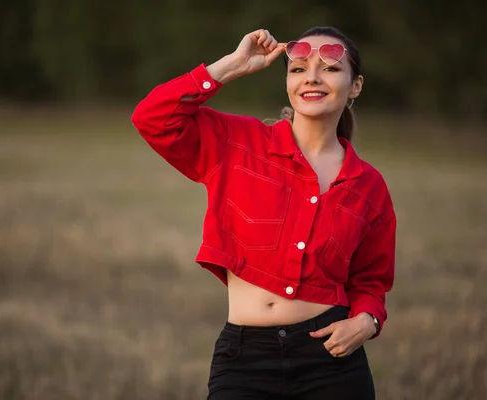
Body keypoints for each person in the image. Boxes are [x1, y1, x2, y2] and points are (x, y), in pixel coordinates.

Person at [131, 26, 396, 400]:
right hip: (244, 360)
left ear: (355, 86)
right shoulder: (237, 143)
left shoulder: (369, 185)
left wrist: (367, 322)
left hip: (332, 363)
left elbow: (371, 279)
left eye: (331, 68)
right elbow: (152, 118)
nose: (313, 78)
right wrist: (230, 66)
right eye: (299, 68)